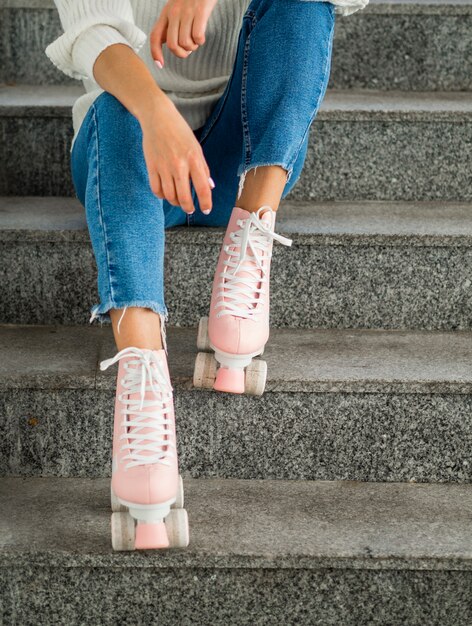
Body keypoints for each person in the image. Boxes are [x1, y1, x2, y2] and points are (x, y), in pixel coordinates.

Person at [45, 0, 369, 551]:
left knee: (304, 6)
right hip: (132, 145)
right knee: (116, 109)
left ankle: (252, 232)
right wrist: (156, 111)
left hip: (234, 158)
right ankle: (142, 375)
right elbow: (89, 33)